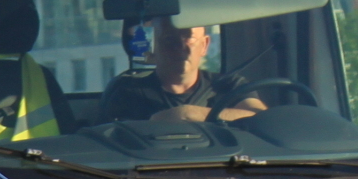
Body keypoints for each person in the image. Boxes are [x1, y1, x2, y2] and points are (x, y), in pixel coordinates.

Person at [98, 22, 268, 124]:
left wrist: (188, 114)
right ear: (152, 48)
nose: (180, 47)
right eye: (168, 39)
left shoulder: (230, 85)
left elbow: (262, 118)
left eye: (189, 37)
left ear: (204, 45)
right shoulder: (127, 91)